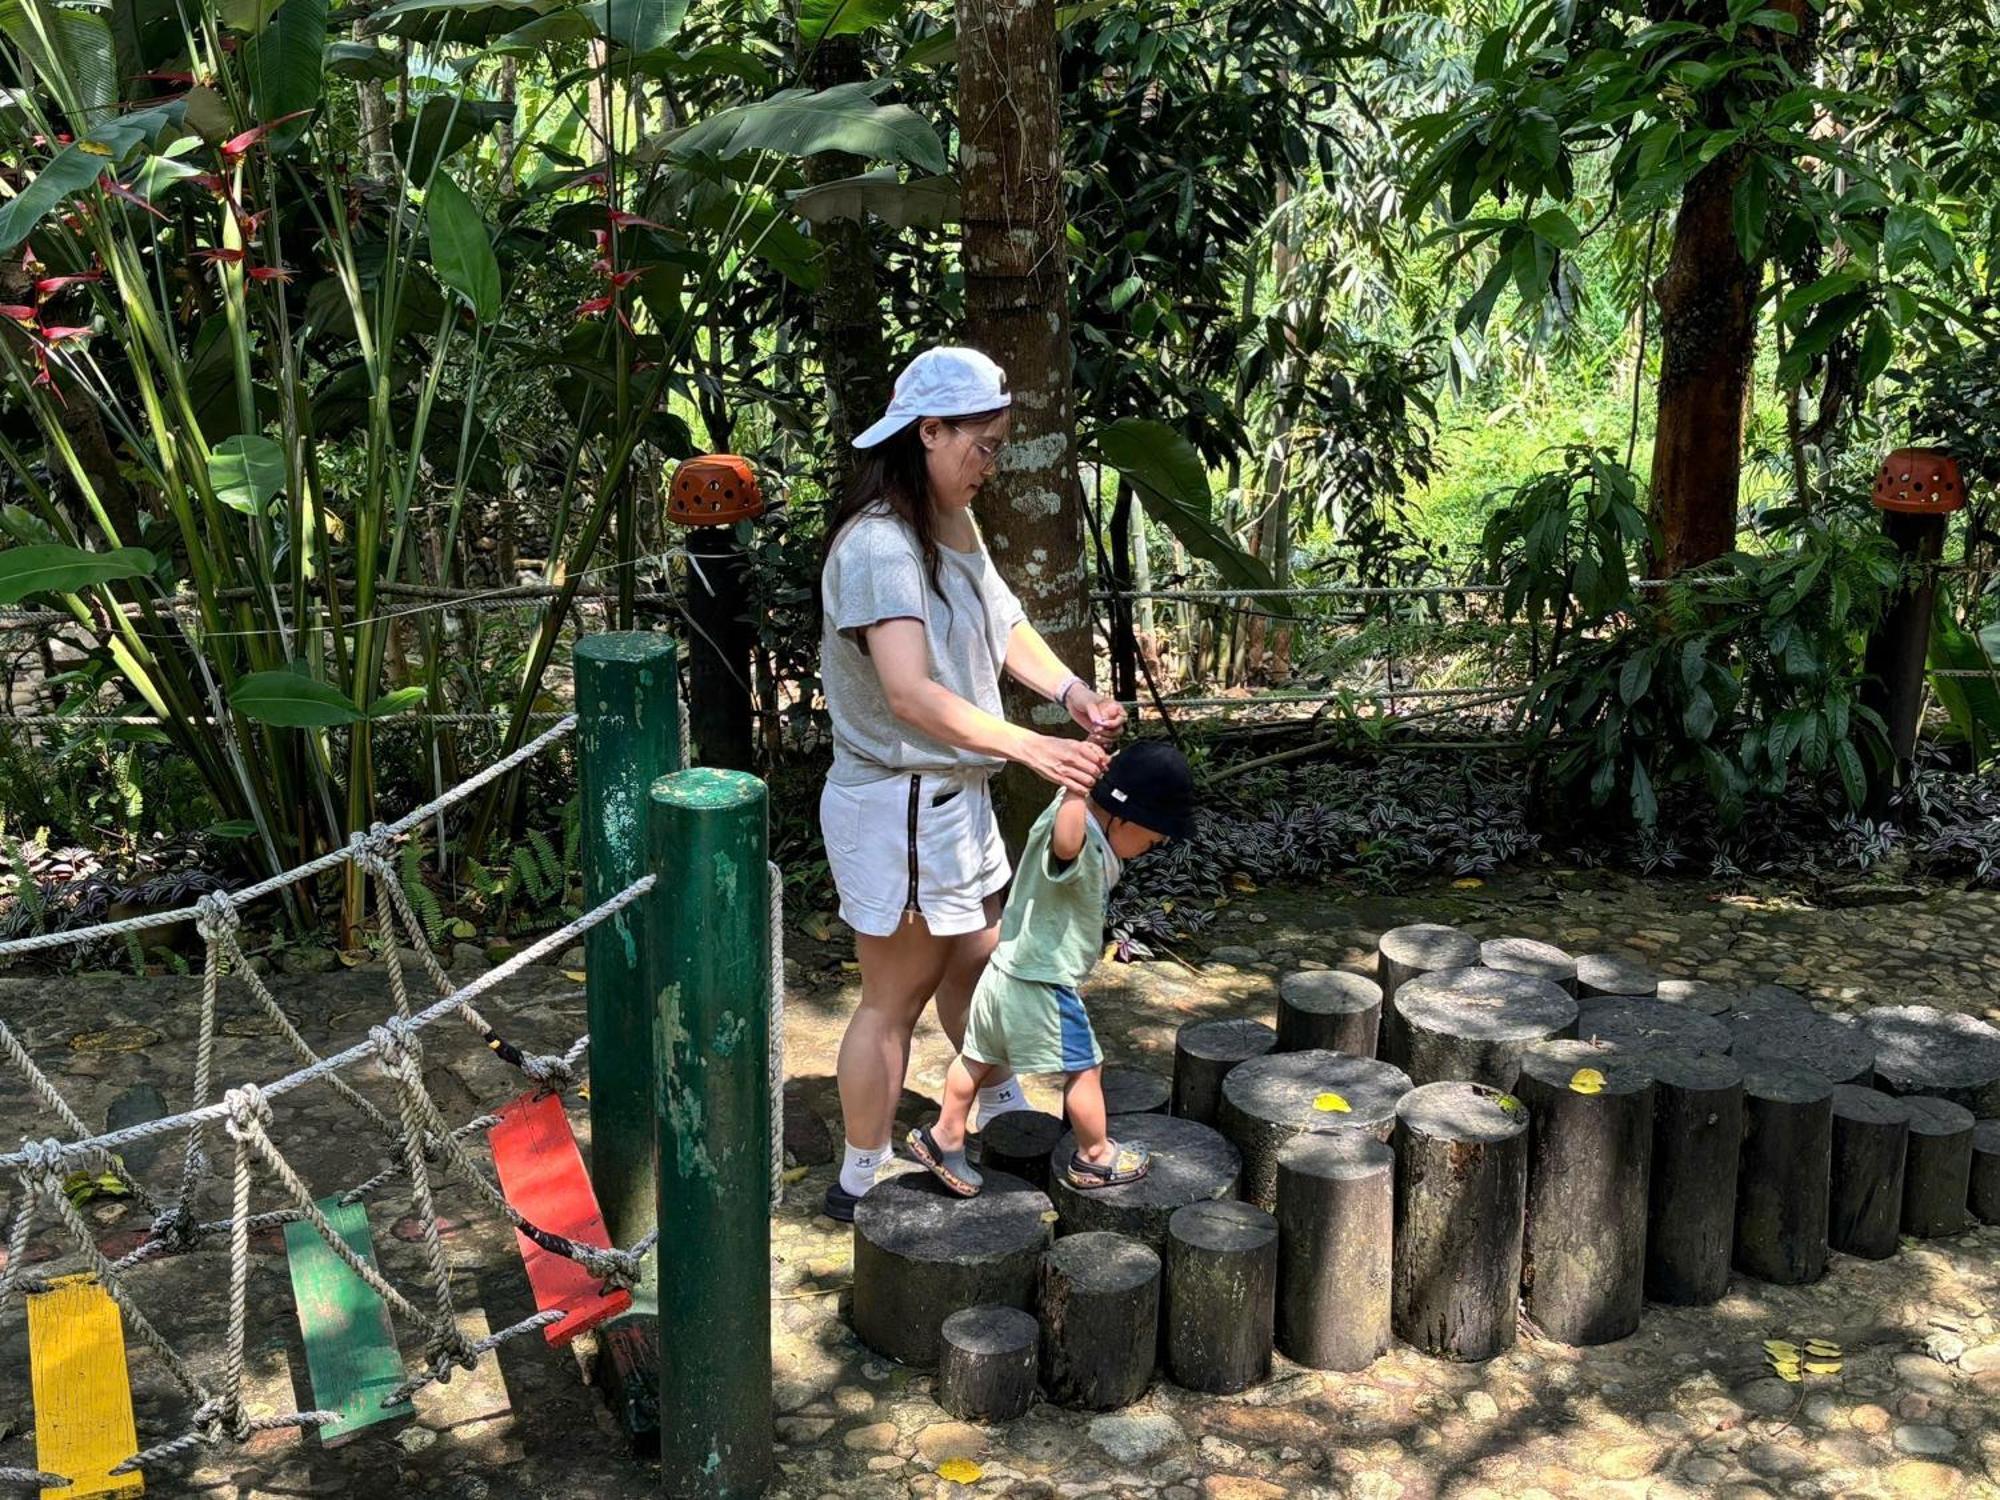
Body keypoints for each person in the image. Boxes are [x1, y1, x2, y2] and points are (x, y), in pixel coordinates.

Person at [818, 346, 1127, 1222]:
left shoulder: (948, 518)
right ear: (929, 432)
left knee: (981, 959)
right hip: (902, 804)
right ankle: (860, 1174)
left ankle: (987, 1107)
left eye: (998, 445)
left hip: (953, 799)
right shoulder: (880, 544)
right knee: (893, 999)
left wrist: (1070, 692)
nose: (991, 463)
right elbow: (911, 692)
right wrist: (1033, 749)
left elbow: (1001, 620)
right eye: (981, 446)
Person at [905, 741, 1194, 1195]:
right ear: (1126, 816)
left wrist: (1086, 770)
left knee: (977, 1058)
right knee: (1084, 1069)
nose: (1150, 848)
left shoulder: (1063, 809)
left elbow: (1071, 818)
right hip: (1044, 983)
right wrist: (1079, 789)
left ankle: (944, 1135)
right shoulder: (1080, 838)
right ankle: (1096, 1156)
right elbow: (1067, 844)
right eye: (1153, 838)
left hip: (1003, 972)